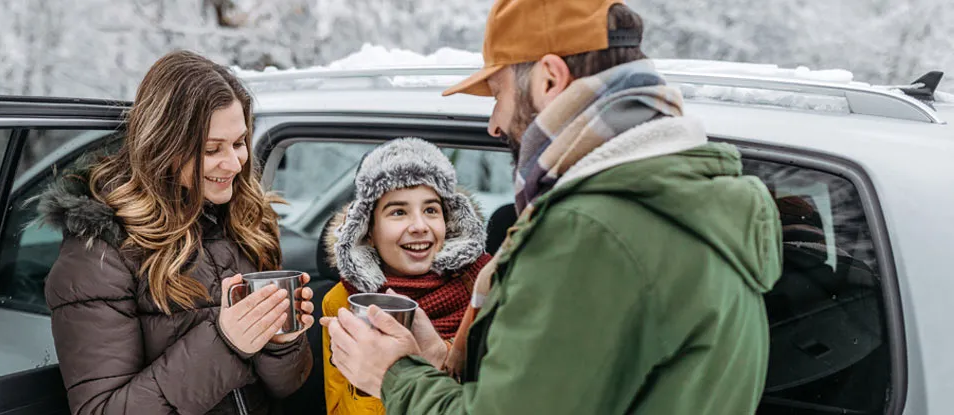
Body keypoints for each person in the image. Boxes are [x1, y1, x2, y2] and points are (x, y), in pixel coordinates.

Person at [320, 1, 784, 414]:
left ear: (548, 78)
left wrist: (393, 377)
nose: (495, 124)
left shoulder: (589, 230)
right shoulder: (688, 200)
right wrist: (440, 362)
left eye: (498, 92)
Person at [39, 50, 314, 415]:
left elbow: (286, 387)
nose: (234, 163)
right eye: (211, 149)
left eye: (238, 143)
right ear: (165, 147)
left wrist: (281, 342)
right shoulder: (101, 253)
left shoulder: (246, 223)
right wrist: (226, 342)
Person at [319, 138, 492, 414]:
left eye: (431, 210)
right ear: (369, 231)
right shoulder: (344, 301)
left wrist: (438, 359)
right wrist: (371, 377)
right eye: (399, 212)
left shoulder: (486, 290)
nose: (420, 226)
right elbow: (338, 408)